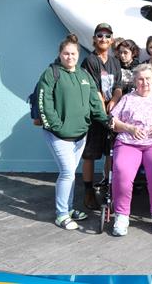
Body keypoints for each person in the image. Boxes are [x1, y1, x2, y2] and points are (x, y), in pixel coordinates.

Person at [37, 34, 111, 230]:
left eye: (73, 54)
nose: (70, 57)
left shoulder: (84, 75)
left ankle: (69, 210)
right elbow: (45, 104)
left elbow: (95, 103)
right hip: (59, 135)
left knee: (70, 173)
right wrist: (56, 127)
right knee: (67, 172)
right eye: (66, 53)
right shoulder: (51, 73)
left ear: (78, 55)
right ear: (60, 54)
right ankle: (61, 214)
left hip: (80, 135)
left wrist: (107, 121)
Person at [110, 64, 152, 236]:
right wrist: (129, 128)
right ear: (134, 81)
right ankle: (121, 216)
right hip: (129, 142)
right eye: (140, 79)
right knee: (122, 170)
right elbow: (113, 121)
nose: (144, 82)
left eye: (148, 78)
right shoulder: (127, 98)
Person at [80, 23, 123, 210]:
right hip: (94, 116)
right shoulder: (90, 60)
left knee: (109, 153)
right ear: (94, 39)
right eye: (99, 35)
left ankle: (107, 188)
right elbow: (93, 88)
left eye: (107, 36)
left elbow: (119, 86)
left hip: (111, 113)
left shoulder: (115, 62)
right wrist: (103, 108)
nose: (103, 39)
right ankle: (88, 192)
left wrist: (114, 100)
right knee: (89, 154)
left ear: (112, 40)